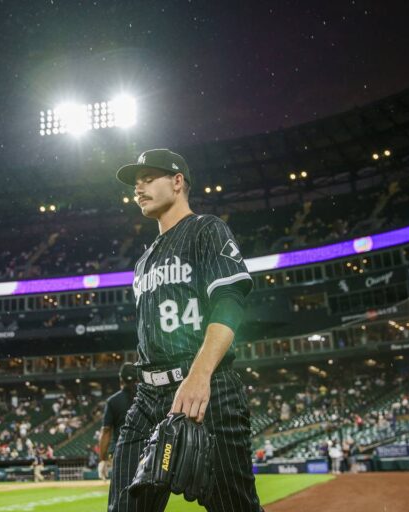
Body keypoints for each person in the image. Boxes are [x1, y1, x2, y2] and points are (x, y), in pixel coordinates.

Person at [108, 149, 262, 511]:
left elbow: (229, 301)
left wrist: (199, 374)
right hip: (148, 398)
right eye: (136, 183)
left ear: (178, 182)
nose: (139, 187)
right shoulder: (143, 262)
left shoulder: (207, 229)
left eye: (149, 178)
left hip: (207, 389)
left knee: (233, 506)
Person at [98, 362, 138, 481]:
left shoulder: (112, 401)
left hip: (120, 452)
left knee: (121, 491)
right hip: (145, 451)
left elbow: (106, 432)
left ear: (121, 379)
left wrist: (102, 459)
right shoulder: (148, 398)